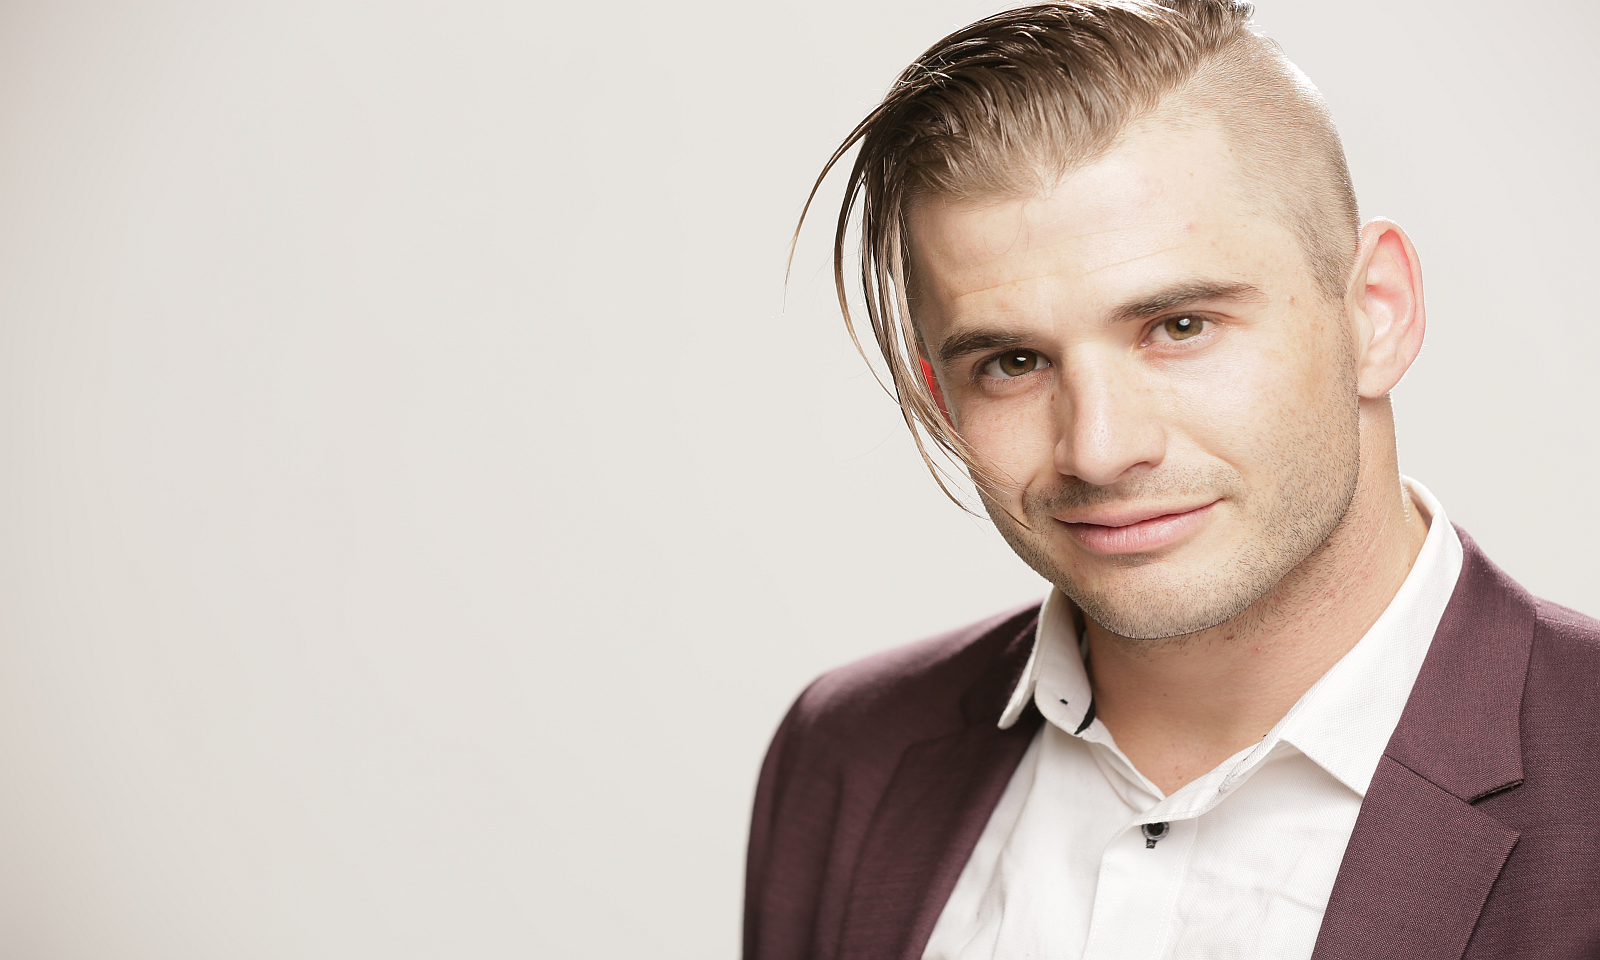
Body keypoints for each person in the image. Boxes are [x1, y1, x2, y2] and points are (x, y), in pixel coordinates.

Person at [742, 2, 1600, 959]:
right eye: (1013, 363)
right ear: (941, 395)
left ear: (1375, 312)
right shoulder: (846, 756)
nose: (1099, 449)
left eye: (1179, 327)